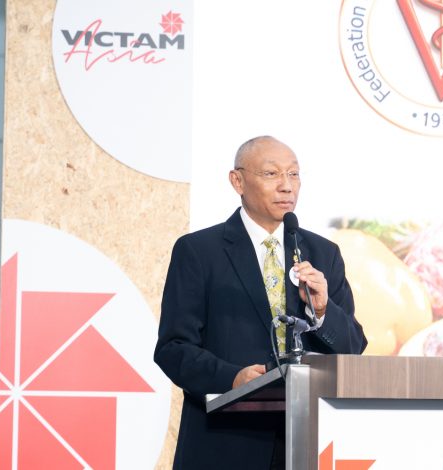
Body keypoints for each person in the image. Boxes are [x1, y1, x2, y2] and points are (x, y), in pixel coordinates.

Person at [154, 135, 367, 469]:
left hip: (307, 443)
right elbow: (173, 348)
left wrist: (323, 311)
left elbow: (353, 349)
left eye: (294, 174)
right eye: (271, 174)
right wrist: (232, 379)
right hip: (226, 445)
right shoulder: (199, 251)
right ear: (237, 181)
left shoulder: (323, 253)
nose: (286, 186)